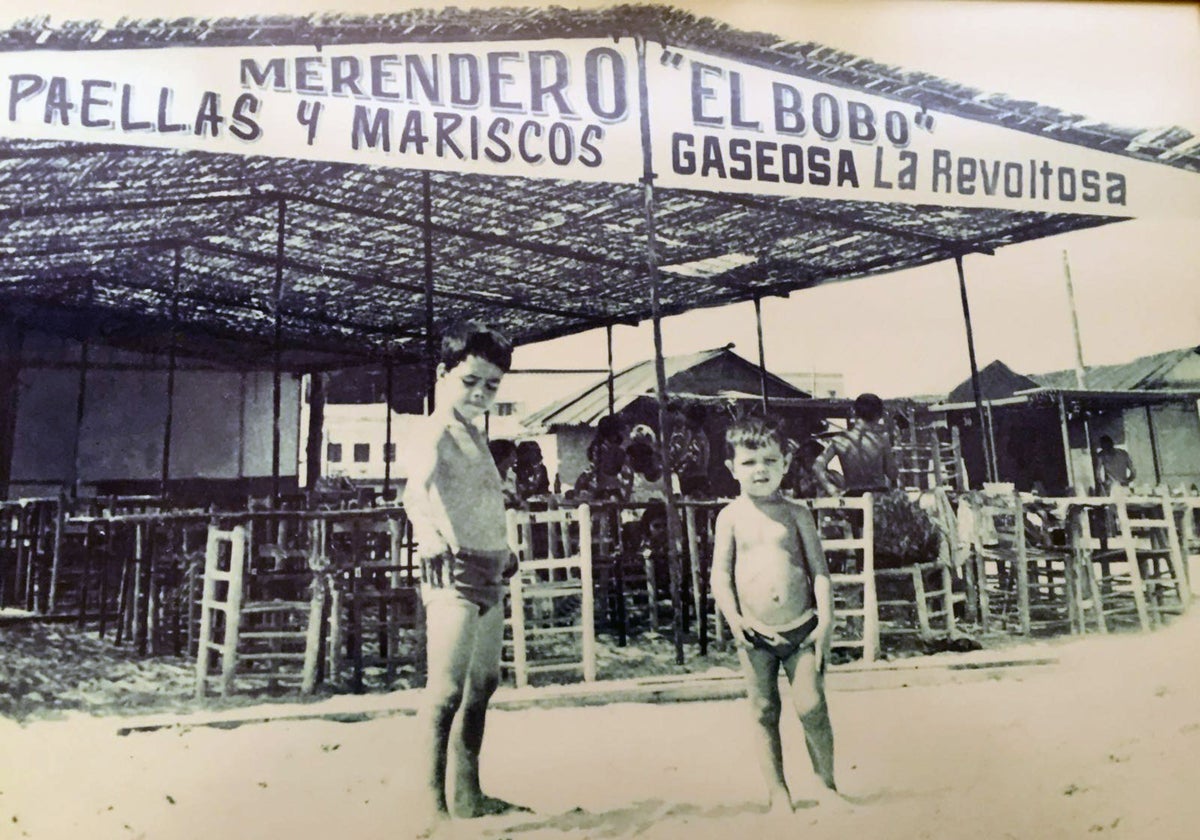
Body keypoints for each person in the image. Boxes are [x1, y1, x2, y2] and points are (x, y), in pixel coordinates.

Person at [401, 320, 525, 832]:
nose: (480, 393)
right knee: (446, 691)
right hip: (451, 571)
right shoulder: (433, 429)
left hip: (491, 570)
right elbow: (414, 492)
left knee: (485, 684)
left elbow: (482, 500)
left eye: (491, 386)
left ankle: (469, 794)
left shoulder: (476, 432)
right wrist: (428, 537)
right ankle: (430, 806)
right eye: (470, 381)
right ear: (443, 373)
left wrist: (505, 549)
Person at [710, 416, 837, 813]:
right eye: (748, 462)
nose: (760, 469)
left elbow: (820, 572)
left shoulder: (798, 514)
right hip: (754, 633)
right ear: (732, 469)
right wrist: (734, 619)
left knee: (812, 706)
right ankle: (778, 793)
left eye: (769, 460)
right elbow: (719, 575)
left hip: (802, 628)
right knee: (764, 711)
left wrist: (826, 622)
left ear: (785, 463)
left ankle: (825, 785)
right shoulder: (729, 517)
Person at [814, 393, 898, 496]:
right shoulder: (881, 440)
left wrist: (831, 489)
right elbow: (892, 473)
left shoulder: (840, 440)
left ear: (854, 413)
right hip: (878, 496)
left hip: (853, 496)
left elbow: (817, 466)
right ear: (878, 415)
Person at [668, 402, 713, 497]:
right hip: (693, 478)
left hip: (695, 480)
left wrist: (676, 466)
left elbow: (693, 460)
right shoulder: (692, 435)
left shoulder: (699, 439)